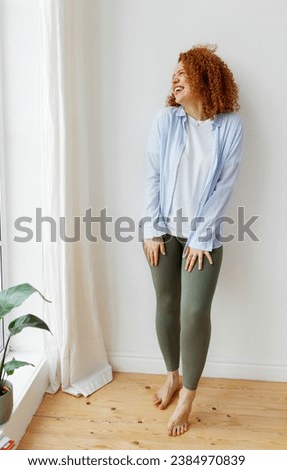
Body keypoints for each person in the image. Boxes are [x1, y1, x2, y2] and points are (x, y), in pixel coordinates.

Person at [142, 44, 243, 437]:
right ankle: (172, 376)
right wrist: (152, 228)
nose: (175, 78)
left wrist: (202, 238)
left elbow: (225, 185)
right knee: (166, 303)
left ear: (206, 77)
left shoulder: (231, 125)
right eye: (174, 74)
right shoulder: (166, 120)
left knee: (195, 312)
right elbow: (152, 175)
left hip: (206, 237)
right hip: (163, 231)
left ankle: (188, 397)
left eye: (184, 72)